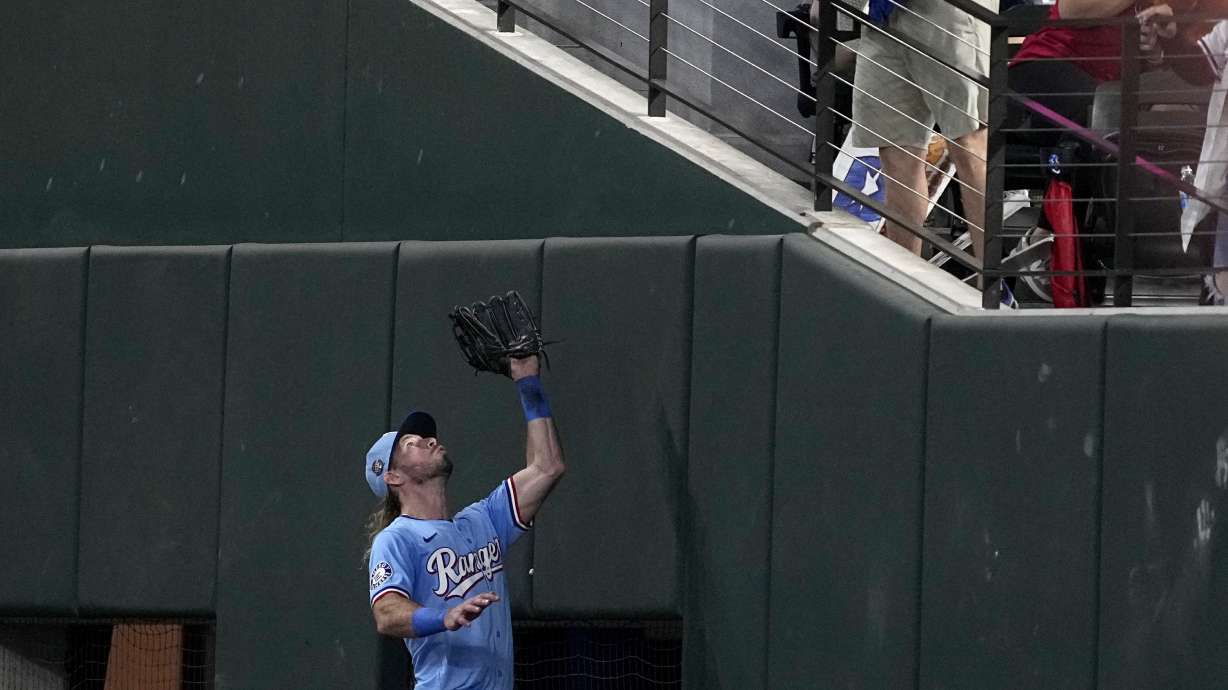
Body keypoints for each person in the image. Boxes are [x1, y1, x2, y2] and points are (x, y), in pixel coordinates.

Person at [364, 354, 565, 689]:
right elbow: (386, 614)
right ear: (393, 476)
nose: (430, 440)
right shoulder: (396, 539)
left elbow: (548, 467)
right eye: (412, 444)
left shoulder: (482, 520)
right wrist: (442, 617)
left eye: (426, 437)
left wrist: (527, 381)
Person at [848, 0, 996, 258]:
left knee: (969, 146)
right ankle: (905, 277)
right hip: (883, 17)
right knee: (895, 151)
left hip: (947, 11)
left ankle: (993, 286)